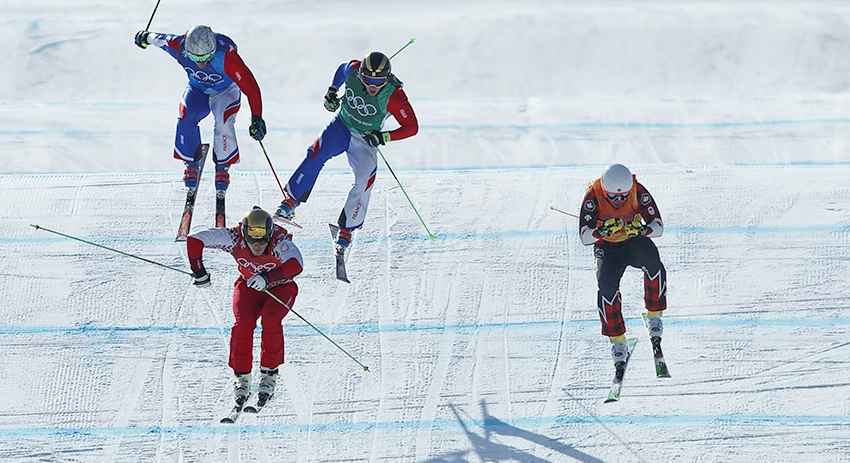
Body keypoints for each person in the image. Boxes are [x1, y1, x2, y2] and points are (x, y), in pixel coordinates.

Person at [274, 51, 419, 258]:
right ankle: (291, 201)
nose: (372, 85)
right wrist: (332, 91)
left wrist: (383, 137)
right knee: (315, 154)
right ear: (361, 73)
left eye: (378, 82)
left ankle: (347, 229)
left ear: (386, 79)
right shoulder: (353, 70)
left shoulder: (394, 95)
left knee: (365, 178)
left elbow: (412, 127)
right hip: (341, 125)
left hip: (365, 138)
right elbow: (342, 69)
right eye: (367, 79)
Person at [187, 206, 303, 405]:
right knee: (243, 323)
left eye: (262, 240)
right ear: (244, 234)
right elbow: (194, 239)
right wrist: (199, 271)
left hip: (281, 288)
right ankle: (242, 377)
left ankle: (269, 374)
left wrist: (267, 277)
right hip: (248, 286)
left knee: (271, 319)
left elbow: (296, 263)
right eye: (252, 240)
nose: (257, 245)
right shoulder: (233, 238)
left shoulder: (279, 240)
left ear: (270, 234)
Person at [134, 25, 267, 198]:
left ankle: (222, 166)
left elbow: (251, 87)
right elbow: (160, 39)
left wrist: (257, 118)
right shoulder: (179, 46)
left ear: (212, 51)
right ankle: (190, 161)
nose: (200, 63)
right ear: (186, 50)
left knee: (223, 120)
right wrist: (145, 37)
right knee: (185, 116)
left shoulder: (226, 57)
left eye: (205, 57)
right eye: (194, 57)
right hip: (198, 90)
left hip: (225, 91)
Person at [578, 164, 667, 370]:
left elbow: (658, 227)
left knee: (654, 263)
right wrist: (601, 232)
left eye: (623, 197)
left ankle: (654, 316)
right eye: (613, 197)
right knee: (606, 286)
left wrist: (643, 229)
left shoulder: (638, 191)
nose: (619, 201)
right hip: (607, 249)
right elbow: (584, 236)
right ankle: (617, 339)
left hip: (633, 243)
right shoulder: (594, 195)